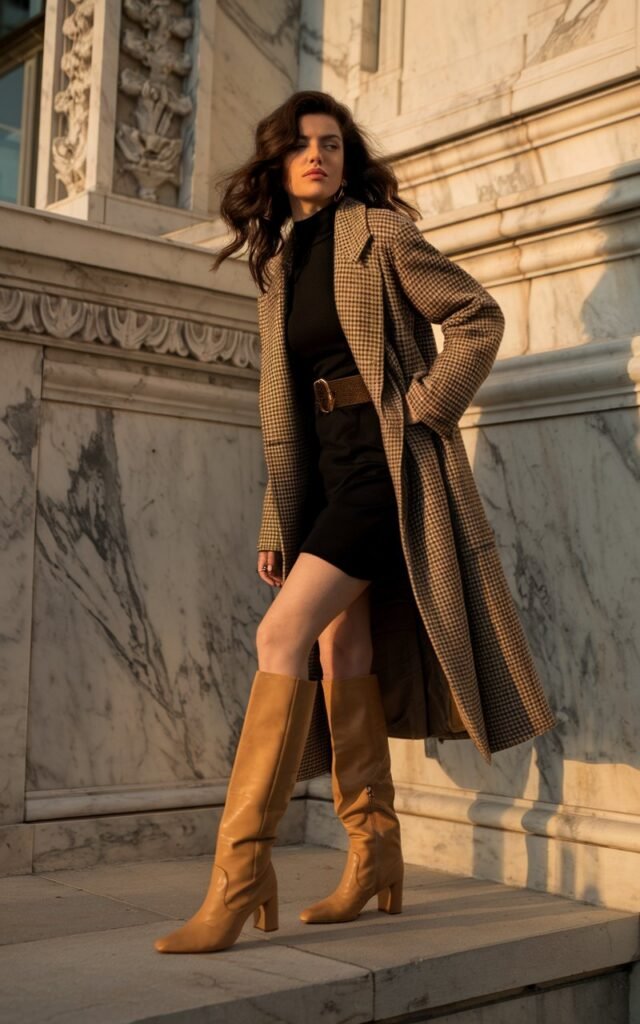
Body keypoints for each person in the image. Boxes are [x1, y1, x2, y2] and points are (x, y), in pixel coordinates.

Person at [153, 89, 538, 956]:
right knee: (338, 649)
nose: (317, 156)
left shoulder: (381, 233)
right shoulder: (281, 262)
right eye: (301, 145)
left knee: (278, 637)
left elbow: (477, 317)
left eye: (330, 143)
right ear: (278, 164)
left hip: (383, 469)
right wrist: (277, 520)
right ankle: (374, 856)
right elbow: (284, 405)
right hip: (324, 477)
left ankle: (239, 873)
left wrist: (426, 409)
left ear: (346, 157)